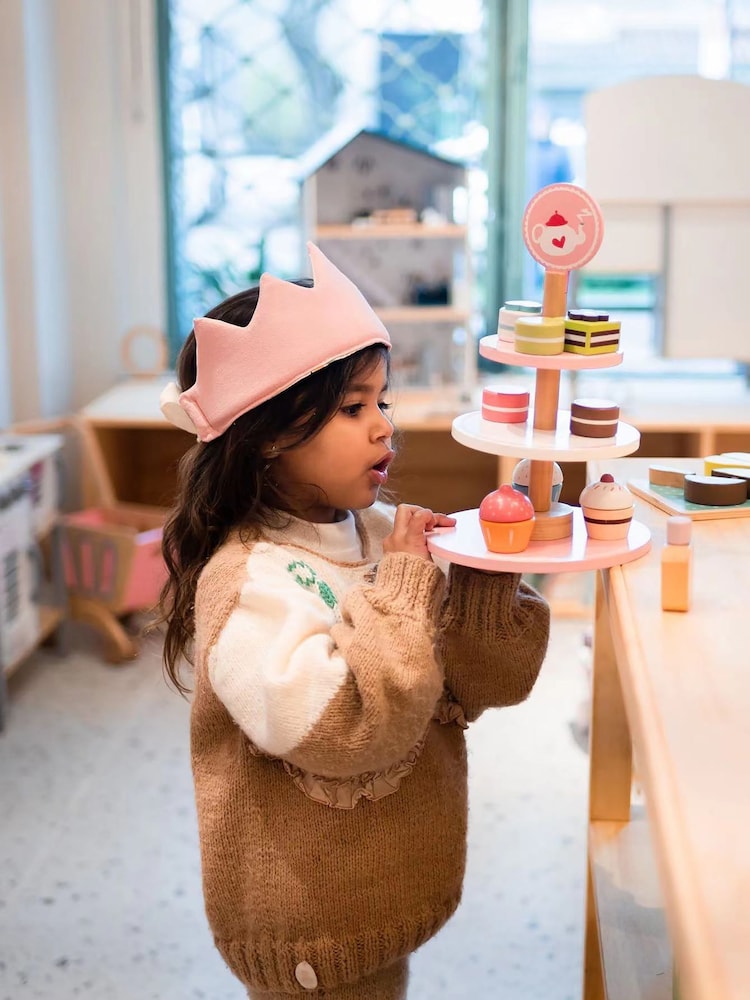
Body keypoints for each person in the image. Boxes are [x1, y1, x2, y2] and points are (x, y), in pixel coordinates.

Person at [158, 243, 550, 1000]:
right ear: (270, 433)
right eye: (352, 407)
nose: (383, 427)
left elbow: (482, 684)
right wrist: (405, 585)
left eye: (383, 401)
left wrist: (484, 577)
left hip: (387, 892)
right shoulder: (249, 581)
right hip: (309, 925)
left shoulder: (372, 532)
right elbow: (348, 730)